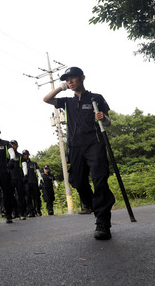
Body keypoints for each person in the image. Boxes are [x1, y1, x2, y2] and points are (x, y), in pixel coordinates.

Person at [43, 66, 115, 240]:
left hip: (95, 144)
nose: (70, 81)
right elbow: (46, 99)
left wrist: (102, 118)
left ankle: (103, 222)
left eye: (72, 78)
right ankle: (94, 206)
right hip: (75, 147)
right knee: (77, 181)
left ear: (82, 77)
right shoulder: (67, 101)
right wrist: (61, 87)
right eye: (67, 79)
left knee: (100, 180)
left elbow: (108, 122)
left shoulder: (95, 98)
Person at [8, 140, 26, 220]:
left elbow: (24, 165)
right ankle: (14, 212)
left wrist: (25, 175)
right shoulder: (8, 155)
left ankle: (22, 213)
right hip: (10, 178)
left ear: (17, 146)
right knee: (10, 196)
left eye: (14, 145)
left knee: (20, 196)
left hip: (19, 178)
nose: (13, 146)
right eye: (11, 145)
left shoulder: (20, 156)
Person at [21, 150, 40, 217]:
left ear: (28, 154)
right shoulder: (21, 164)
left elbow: (38, 173)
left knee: (36, 197)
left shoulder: (34, 163)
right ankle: (30, 212)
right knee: (28, 198)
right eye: (23, 154)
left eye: (26, 154)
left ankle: (37, 210)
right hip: (26, 183)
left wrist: (40, 181)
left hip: (34, 182)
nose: (25, 156)